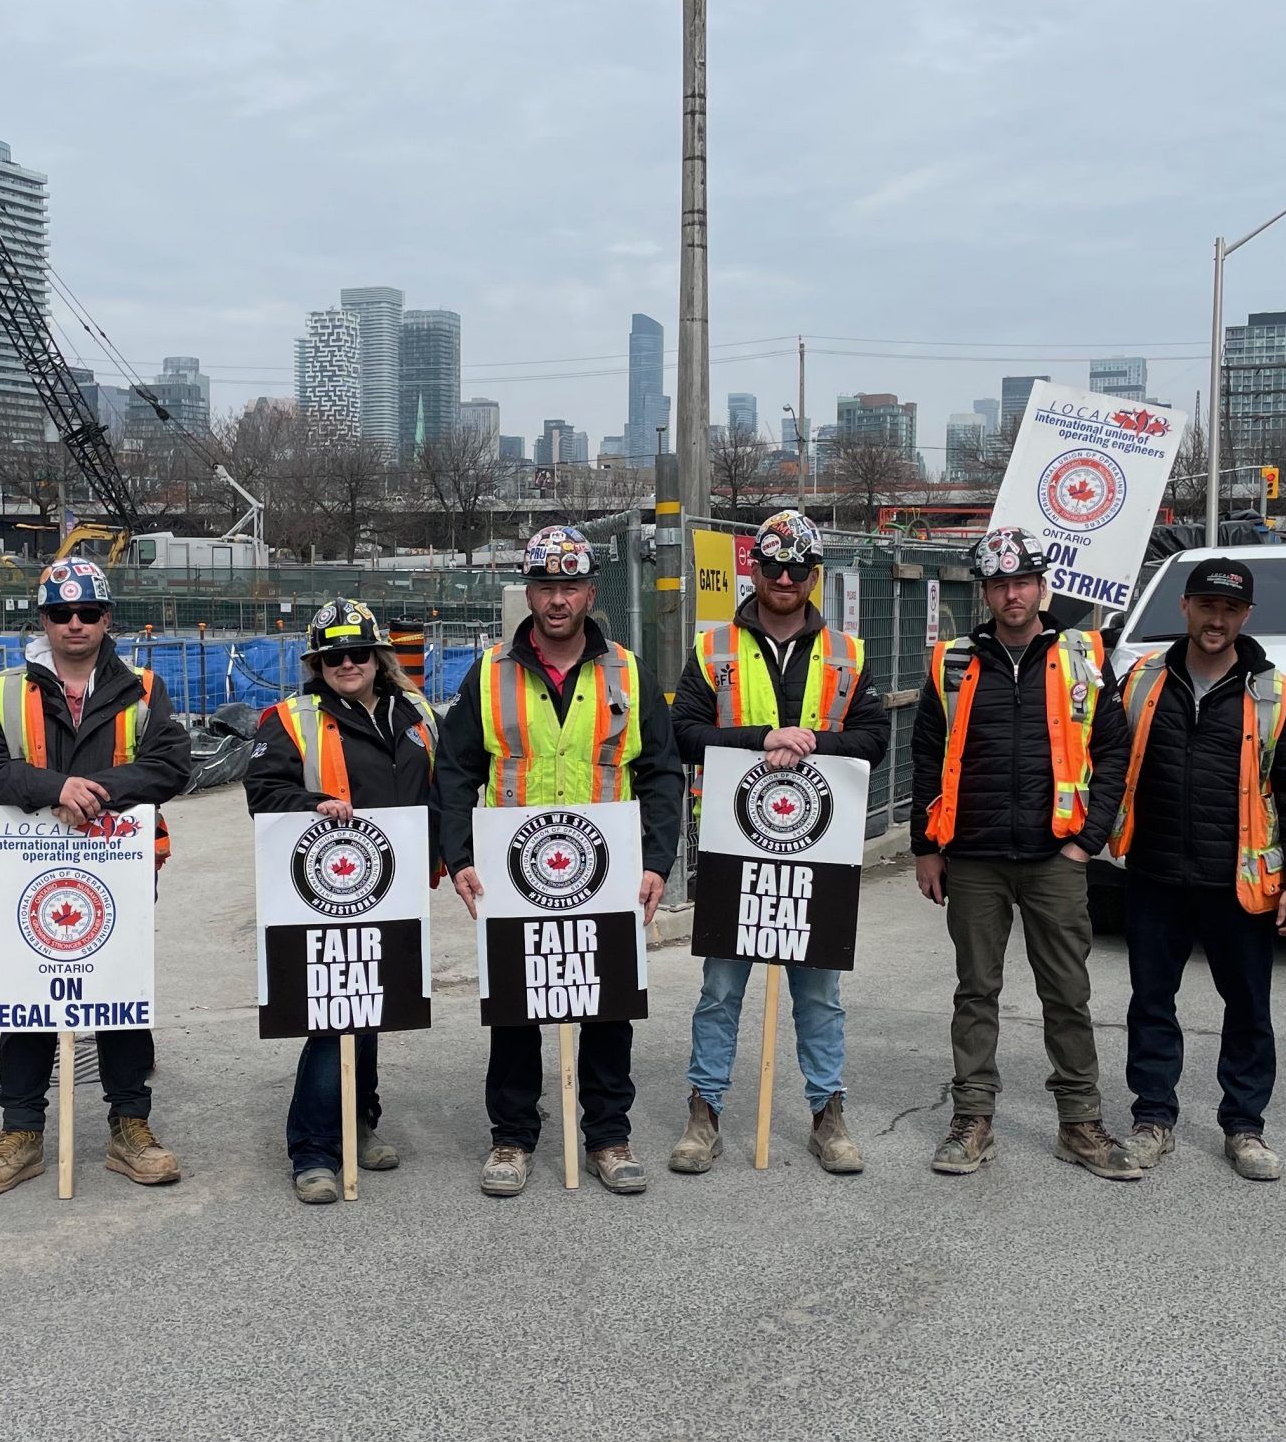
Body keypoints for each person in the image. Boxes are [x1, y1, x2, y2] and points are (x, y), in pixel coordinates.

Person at [436, 523, 681, 1197]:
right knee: (514, 1013)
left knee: (607, 1010)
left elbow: (662, 772)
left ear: (590, 592)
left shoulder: (628, 672)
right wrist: (457, 857)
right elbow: (454, 772)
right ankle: (512, 1139)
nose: (556, 600)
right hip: (516, 877)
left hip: (606, 874)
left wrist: (657, 861)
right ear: (530, 591)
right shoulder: (490, 673)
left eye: (569, 585)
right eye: (545, 585)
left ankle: (609, 1137)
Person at [908, 527, 1141, 1181]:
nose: (1012, 595)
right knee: (975, 991)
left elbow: (1114, 753)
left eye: (1023, 582)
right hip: (974, 857)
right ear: (985, 591)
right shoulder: (951, 662)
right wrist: (925, 847)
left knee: (1067, 992)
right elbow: (925, 757)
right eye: (1000, 584)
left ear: (1043, 585)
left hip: (1054, 857)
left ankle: (1080, 1123)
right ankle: (972, 1120)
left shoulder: (1086, 655)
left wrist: (1087, 842)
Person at [0, 556, 191, 1197]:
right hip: (29, 870)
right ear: (45, 620)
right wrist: (51, 786)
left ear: (106, 618)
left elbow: (172, 765)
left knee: (121, 993)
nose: (76, 624)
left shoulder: (142, 687)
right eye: (62, 614)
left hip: (119, 865)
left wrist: (94, 792)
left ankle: (130, 1126)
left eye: (88, 612)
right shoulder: (5, 693)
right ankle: (22, 1131)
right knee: (27, 993)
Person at [667, 510, 888, 1176]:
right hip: (736, 850)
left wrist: (812, 742)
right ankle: (704, 1113)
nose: (785, 578)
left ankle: (828, 1114)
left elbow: (875, 738)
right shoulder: (714, 650)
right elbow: (682, 732)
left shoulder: (848, 653)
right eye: (772, 567)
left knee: (819, 994)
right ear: (754, 571)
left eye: (798, 568)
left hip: (817, 856)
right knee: (720, 991)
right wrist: (763, 738)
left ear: (814, 575)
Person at [1108, 557, 1286, 1183]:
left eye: (1230, 610)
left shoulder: (1275, 691)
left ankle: (1245, 1127)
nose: (1217, 620)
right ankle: (1152, 1119)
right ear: (1186, 608)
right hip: (1155, 871)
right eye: (1207, 606)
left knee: (1249, 1006)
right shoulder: (1141, 679)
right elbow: (1107, 761)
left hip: (1241, 880)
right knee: (1151, 1002)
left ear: (1246, 616)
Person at [246, 596, 438, 1204]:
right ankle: (313, 1150)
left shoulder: (417, 713)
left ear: (378, 657)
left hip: (396, 884)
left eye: (358, 652)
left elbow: (442, 789)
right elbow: (262, 791)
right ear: (317, 665)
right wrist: (312, 806)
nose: (347, 664)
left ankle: (360, 1119)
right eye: (333, 657)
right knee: (332, 1016)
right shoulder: (291, 718)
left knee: (375, 1006)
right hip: (325, 890)